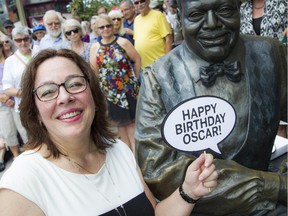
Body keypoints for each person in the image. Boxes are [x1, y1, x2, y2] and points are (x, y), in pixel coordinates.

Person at [0, 48, 218, 215]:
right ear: (35, 111)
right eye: (48, 92)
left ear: (94, 97)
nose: (65, 97)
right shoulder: (23, 181)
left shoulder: (118, 150)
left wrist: (188, 191)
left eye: (75, 84)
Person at [135, 0, 287, 215]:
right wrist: (275, 186)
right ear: (180, 16)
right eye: (196, 14)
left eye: (224, 10)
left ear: (238, 9)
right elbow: (159, 171)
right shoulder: (158, 78)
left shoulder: (270, 53)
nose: (212, 24)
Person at [90, 14, 140, 153]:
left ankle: (137, 158)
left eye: (108, 25)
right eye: (102, 27)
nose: (105, 29)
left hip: (128, 91)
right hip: (112, 96)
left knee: (132, 127)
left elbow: (137, 59)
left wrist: (133, 79)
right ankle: (128, 158)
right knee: (120, 128)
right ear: (98, 30)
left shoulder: (123, 42)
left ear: (113, 26)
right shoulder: (95, 48)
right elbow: (94, 72)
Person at [2, 25, 36, 158]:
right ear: (13, 41)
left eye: (25, 39)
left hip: (45, 101)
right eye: (18, 40)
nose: (23, 43)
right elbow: (7, 88)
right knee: (30, 139)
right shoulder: (10, 61)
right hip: (24, 106)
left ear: (30, 38)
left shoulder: (38, 52)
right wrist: (25, 93)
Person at [133, 0, 173, 69]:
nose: (139, 4)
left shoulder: (158, 15)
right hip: (145, 68)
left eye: (142, 1)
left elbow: (168, 38)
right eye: (136, 2)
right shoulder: (136, 19)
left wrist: (166, 61)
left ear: (148, 1)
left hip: (160, 65)